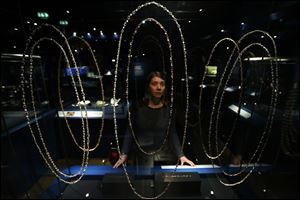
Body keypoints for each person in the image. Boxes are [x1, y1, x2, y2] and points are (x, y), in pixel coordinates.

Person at [113, 71, 195, 168]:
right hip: (141, 155)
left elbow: (172, 133)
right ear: (148, 87)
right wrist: (124, 153)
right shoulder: (137, 107)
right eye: (154, 84)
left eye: (162, 84)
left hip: (164, 157)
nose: (159, 88)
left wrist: (181, 155)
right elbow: (130, 131)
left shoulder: (169, 109)